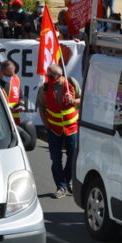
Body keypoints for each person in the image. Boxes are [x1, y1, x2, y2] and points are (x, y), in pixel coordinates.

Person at [36, 63, 81, 198]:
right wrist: (47, 125)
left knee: (73, 157)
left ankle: (67, 182)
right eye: (47, 75)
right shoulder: (44, 88)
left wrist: (73, 101)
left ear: (58, 75)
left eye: (50, 76)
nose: (48, 78)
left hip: (72, 128)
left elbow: (82, 99)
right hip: (54, 129)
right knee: (56, 159)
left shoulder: (71, 83)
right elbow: (41, 108)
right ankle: (61, 187)